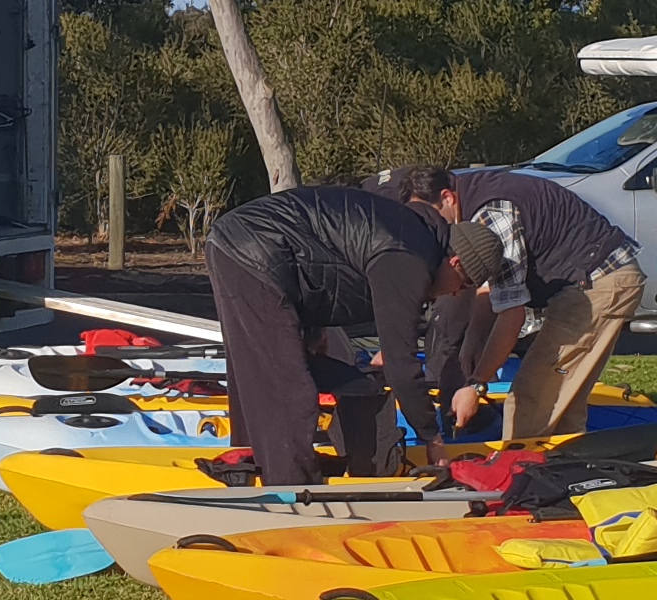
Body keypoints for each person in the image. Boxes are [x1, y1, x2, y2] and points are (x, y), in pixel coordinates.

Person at [201, 181, 486, 486]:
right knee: (287, 388)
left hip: (259, 251)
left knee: (346, 381)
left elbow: (323, 254)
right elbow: (402, 367)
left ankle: (258, 464)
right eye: (465, 285)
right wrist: (433, 437)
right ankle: (290, 491)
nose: (457, 295)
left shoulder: (415, 238)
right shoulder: (409, 258)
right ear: (455, 263)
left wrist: (312, 333)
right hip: (252, 249)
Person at [387, 162, 648, 446]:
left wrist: (476, 383)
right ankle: (561, 470)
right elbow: (492, 288)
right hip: (595, 277)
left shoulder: (492, 214)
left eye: (430, 215)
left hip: (599, 280)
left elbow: (512, 313)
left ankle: (516, 474)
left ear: (448, 198)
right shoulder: (474, 197)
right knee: (563, 401)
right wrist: (474, 342)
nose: (430, 227)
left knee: (532, 395)